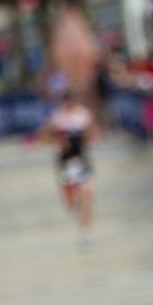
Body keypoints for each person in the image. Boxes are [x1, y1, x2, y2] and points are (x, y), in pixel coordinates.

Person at [42, 89, 97, 247]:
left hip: (81, 161)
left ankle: (85, 232)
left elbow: (92, 134)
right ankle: (79, 213)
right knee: (72, 203)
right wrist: (57, 144)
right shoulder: (57, 117)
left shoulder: (83, 114)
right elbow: (45, 136)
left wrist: (86, 137)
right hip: (65, 164)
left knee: (87, 195)